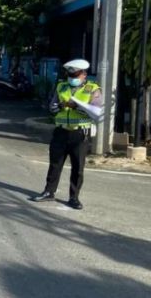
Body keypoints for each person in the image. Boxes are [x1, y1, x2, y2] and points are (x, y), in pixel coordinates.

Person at [31, 59, 102, 210]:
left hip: (80, 133)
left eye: (75, 74)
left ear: (84, 74)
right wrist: (60, 106)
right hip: (61, 131)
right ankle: (49, 191)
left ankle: (74, 198)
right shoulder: (61, 86)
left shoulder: (93, 89)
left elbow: (96, 112)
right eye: (70, 75)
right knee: (55, 164)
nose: (72, 78)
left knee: (78, 167)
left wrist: (77, 106)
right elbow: (52, 107)